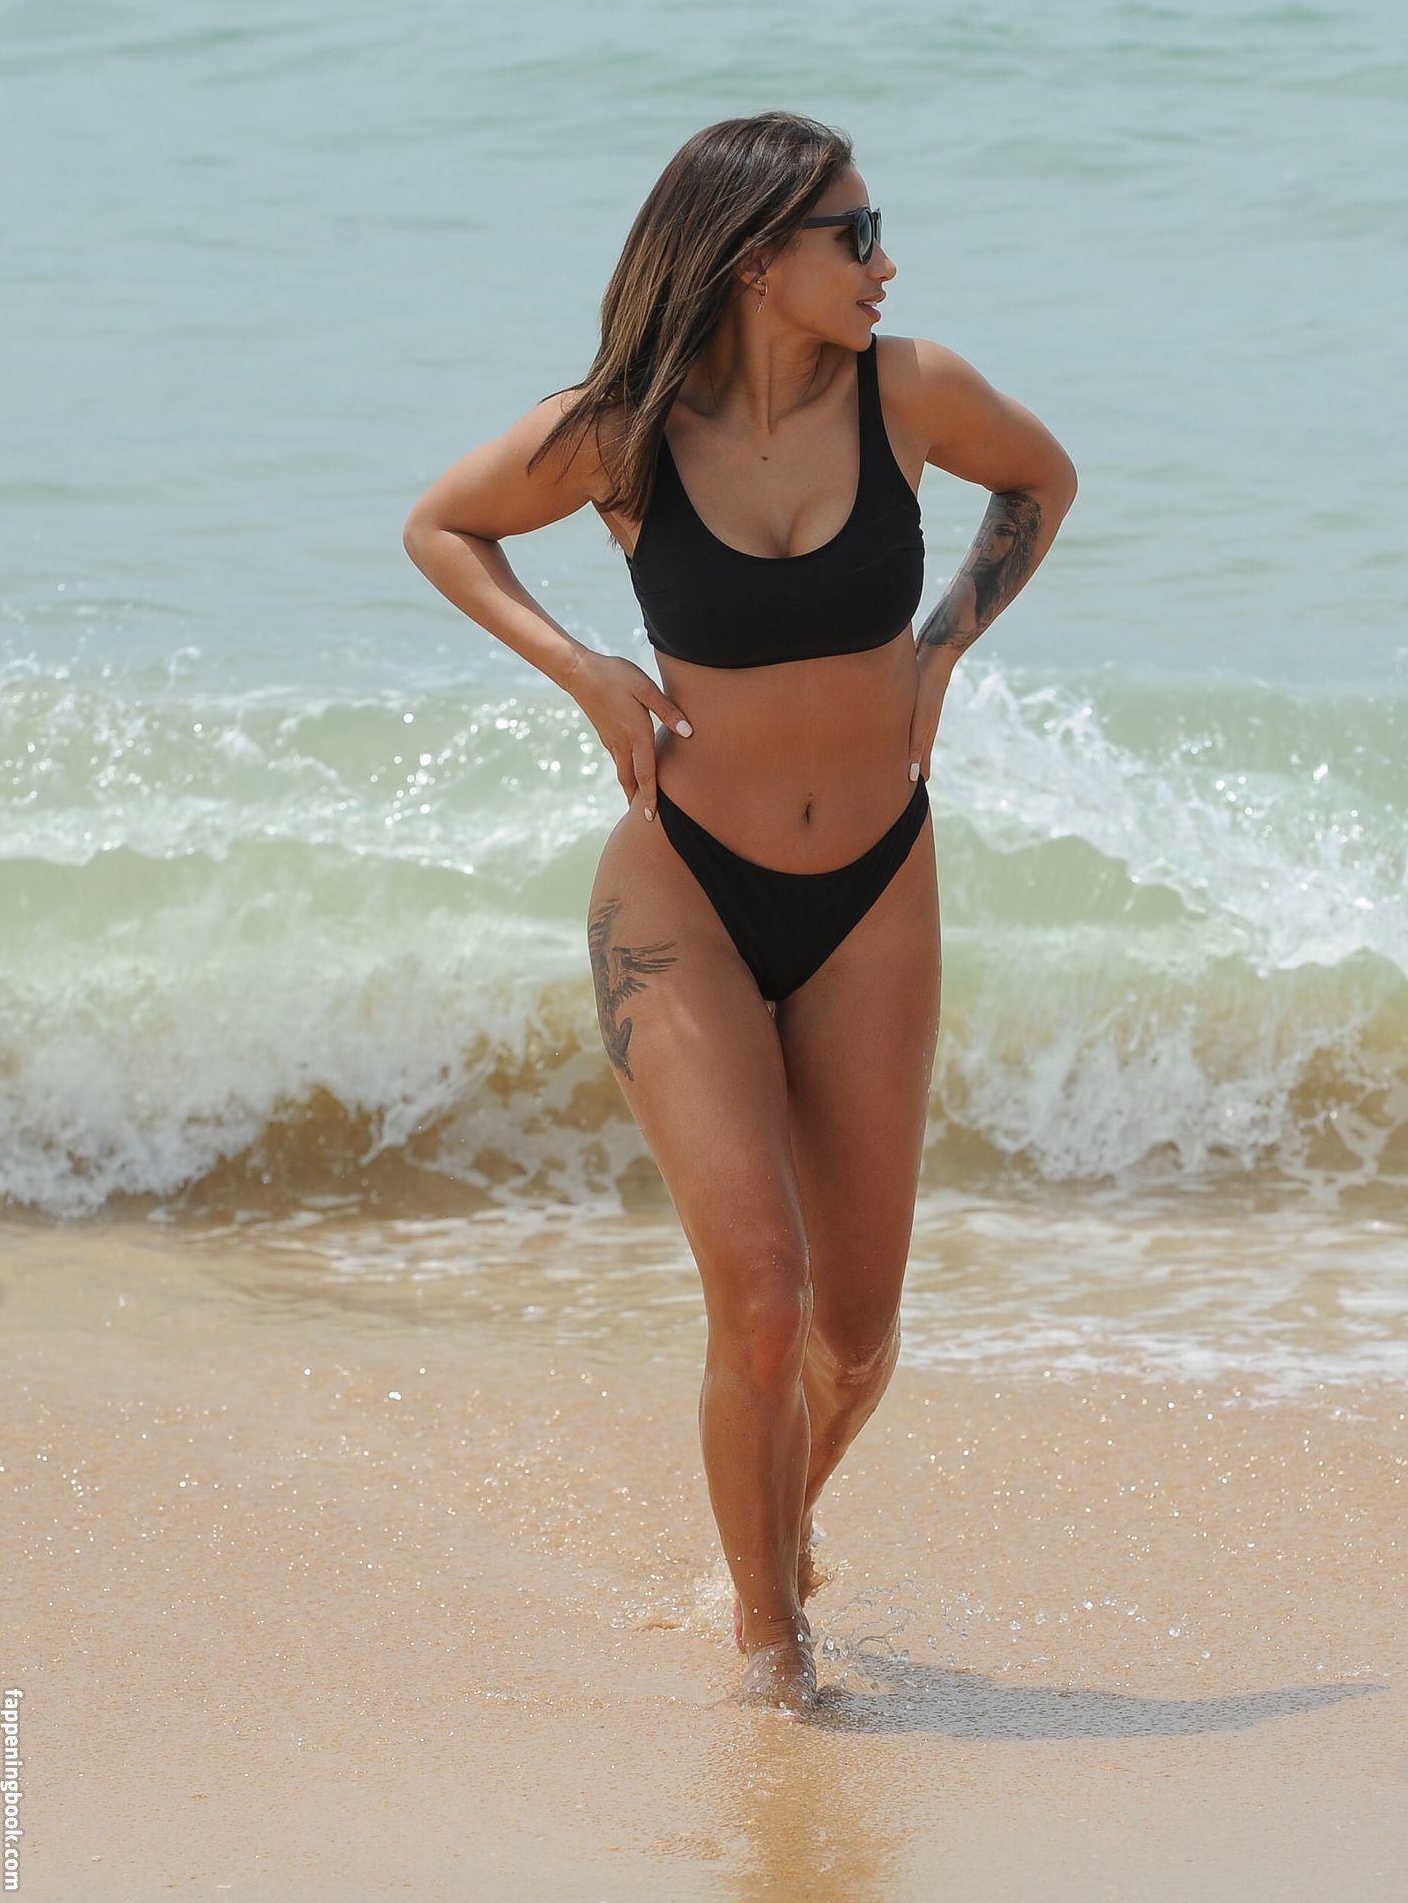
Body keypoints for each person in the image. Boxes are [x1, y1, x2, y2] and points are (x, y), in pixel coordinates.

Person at [402, 111, 1078, 1716]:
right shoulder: (625, 431)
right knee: (763, 1298)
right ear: (759, 254)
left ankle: (776, 1531)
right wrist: (584, 669)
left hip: (875, 889)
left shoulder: (911, 393)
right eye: (859, 234)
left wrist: (945, 642)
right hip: (683, 892)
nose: (885, 263)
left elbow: (1039, 481)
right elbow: (442, 524)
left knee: (856, 1339)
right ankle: (775, 1661)